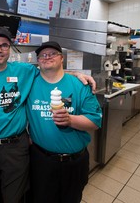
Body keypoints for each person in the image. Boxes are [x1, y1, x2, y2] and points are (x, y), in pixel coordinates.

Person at [0, 26, 97, 203]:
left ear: (10, 48)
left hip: (16, 147)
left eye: (4, 45)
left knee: (15, 197)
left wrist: (73, 74)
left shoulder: (24, 71)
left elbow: (50, 71)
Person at [26, 41, 102, 203]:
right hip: (41, 161)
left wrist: (70, 119)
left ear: (62, 58)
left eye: (52, 54)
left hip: (74, 162)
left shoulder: (80, 85)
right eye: (42, 55)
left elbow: (95, 121)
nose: (47, 57)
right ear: (37, 61)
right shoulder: (29, 83)